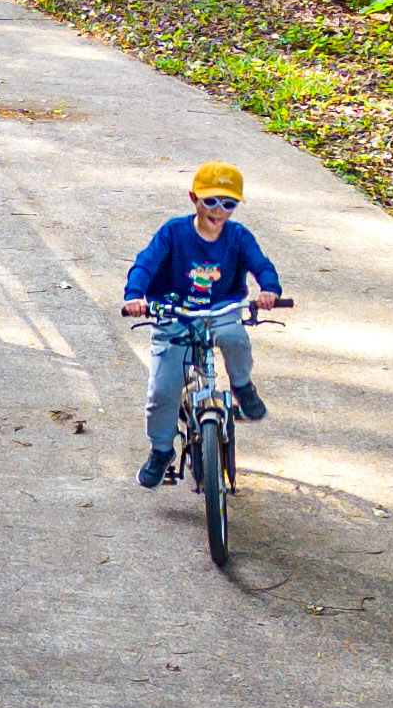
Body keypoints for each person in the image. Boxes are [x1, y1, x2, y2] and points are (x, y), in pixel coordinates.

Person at [120, 162, 284, 490]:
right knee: (162, 391)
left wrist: (269, 290)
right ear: (194, 198)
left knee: (235, 337)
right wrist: (135, 296)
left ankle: (242, 385)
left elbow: (261, 264)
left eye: (228, 204)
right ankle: (162, 450)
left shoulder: (238, 237)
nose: (219, 211)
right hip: (174, 312)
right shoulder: (174, 233)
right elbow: (145, 263)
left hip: (222, 309)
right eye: (210, 201)